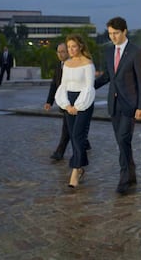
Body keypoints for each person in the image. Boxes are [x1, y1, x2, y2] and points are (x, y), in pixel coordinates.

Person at [95, 16, 141, 195]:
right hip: (114, 104)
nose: (113, 37)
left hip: (130, 104)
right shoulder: (109, 52)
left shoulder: (135, 52)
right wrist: (88, 85)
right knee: (121, 141)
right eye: (110, 34)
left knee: (124, 139)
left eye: (116, 33)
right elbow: (107, 77)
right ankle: (131, 173)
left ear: (125, 31)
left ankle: (124, 178)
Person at [55, 35, 95, 188]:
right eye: (69, 47)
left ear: (80, 47)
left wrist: (78, 106)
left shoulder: (88, 64)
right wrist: (66, 105)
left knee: (78, 135)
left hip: (84, 101)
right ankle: (80, 167)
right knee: (73, 136)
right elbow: (63, 85)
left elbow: (89, 87)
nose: (70, 50)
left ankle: (75, 169)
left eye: (74, 46)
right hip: (68, 101)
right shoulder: (66, 64)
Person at [44, 43, 71, 161]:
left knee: (66, 127)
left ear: (68, 52)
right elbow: (54, 84)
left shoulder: (73, 66)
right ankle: (85, 143)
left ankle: (59, 152)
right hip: (63, 101)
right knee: (71, 127)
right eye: (58, 52)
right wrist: (49, 101)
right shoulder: (58, 66)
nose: (60, 54)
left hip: (72, 102)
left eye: (63, 51)